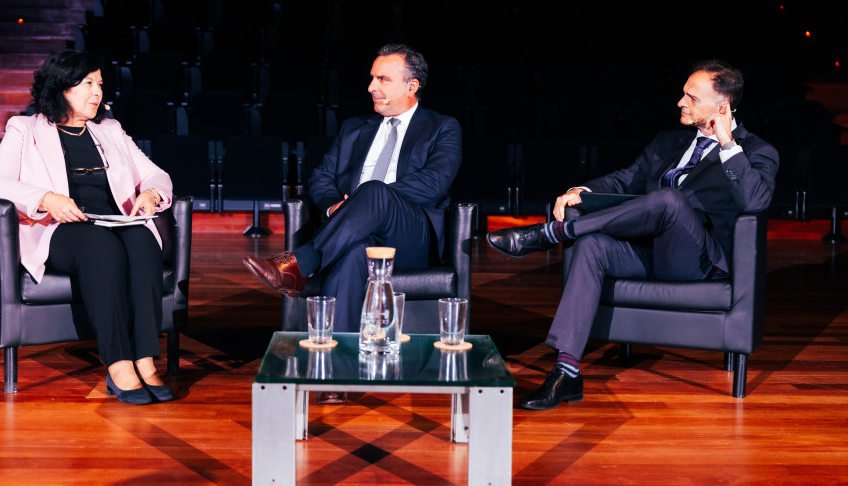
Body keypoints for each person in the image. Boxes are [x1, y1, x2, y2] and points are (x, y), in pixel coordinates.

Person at [486, 60, 779, 410]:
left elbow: (755, 200)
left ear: (722, 107)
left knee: (670, 199)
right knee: (592, 245)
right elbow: (626, 179)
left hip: (697, 261)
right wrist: (580, 190)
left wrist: (728, 144)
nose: (680, 102)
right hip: (647, 251)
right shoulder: (667, 142)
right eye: (682, 94)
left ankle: (553, 233)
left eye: (691, 97)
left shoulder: (757, 151)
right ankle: (566, 374)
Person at [0, 50, 175, 405]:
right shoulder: (24, 129)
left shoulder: (111, 130)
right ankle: (118, 364)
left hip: (117, 220)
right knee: (99, 246)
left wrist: (150, 192)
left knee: (144, 242)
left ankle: (145, 358)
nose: (97, 92)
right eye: (87, 84)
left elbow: (156, 173)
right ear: (61, 88)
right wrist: (47, 198)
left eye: (99, 84)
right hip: (62, 228)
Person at [244, 42, 462, 330]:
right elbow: (321, 177)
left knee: (374, 190)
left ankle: (302, 263)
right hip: (351, 233)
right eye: (372, 77)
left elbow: (434, 184)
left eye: (383, 79)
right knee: (354, 255)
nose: (371, 86)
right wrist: (338, 205)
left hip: (410, 234)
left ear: (412, 86)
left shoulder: (443, 127)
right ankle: (337, 354)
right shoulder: (354, 128)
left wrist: (366, 199)